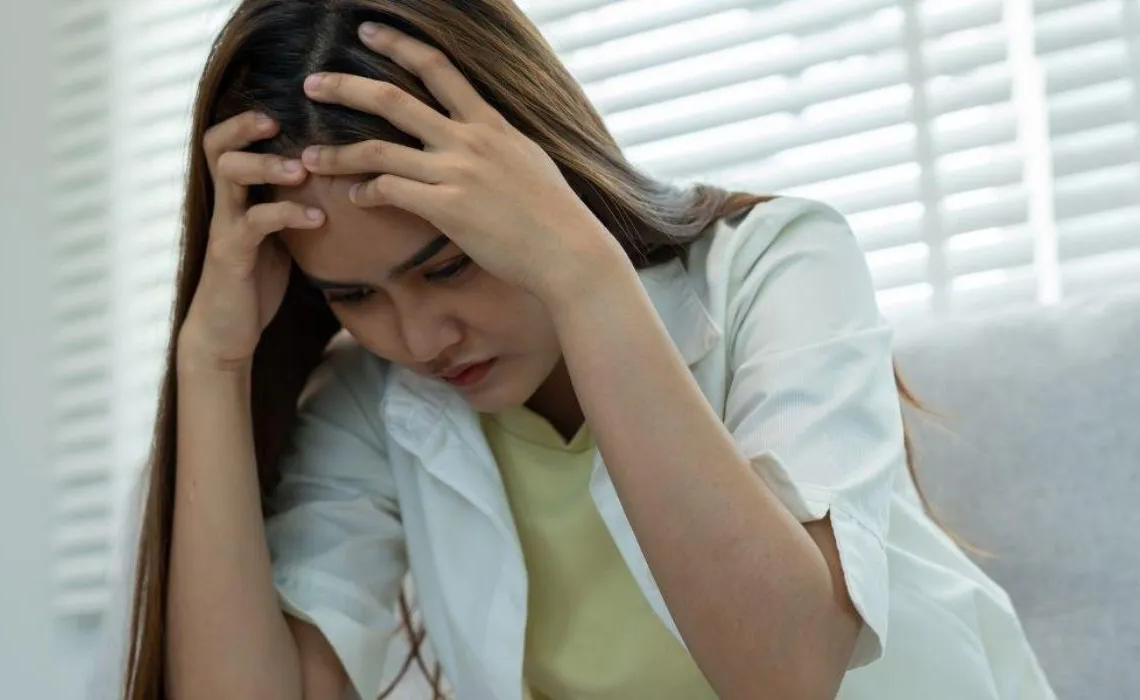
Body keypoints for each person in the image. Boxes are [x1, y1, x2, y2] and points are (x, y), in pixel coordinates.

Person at [107, 1, 1056, 699]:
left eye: (450, 264)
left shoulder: (777, 262)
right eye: (353, 295)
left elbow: (789, 675)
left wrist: (582, 273)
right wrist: (212, 365)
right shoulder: (378, 399)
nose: (421, 338)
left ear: (530, 176)